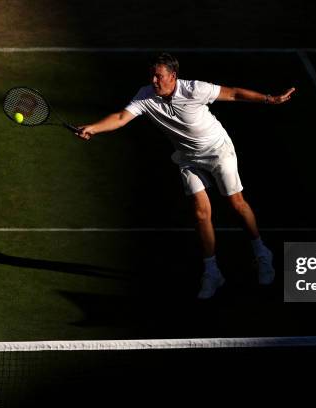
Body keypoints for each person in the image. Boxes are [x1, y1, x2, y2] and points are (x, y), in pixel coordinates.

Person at [77, 53, 296, 299]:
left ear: (173, 77)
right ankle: (213, 272)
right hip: (188, 158)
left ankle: (262, 253)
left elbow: (233, 93)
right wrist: (93, 127)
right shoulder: (145, 95)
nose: (154, 81)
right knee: (201, 212)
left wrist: (270, 99)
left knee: (236, 204)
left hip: (218, 152)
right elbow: (120, 117)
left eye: (159, 76)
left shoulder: (195, 90)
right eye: (151, 76)